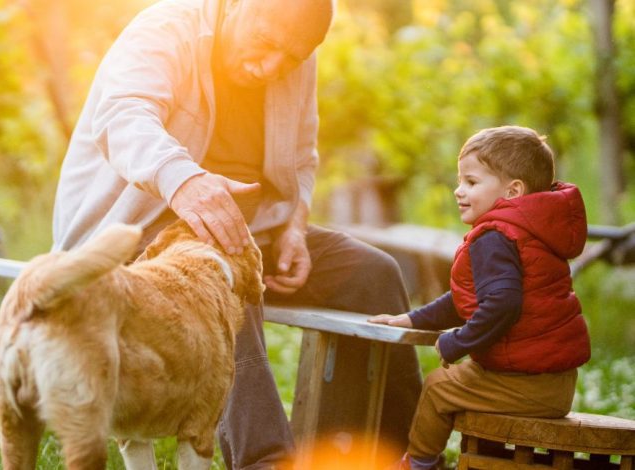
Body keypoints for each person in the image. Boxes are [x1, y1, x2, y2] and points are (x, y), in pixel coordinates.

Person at [51, 0, 423, 467]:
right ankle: (265, 461)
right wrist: (183, 180)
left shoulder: (294, 55)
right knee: (219, 278)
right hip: (134, 239)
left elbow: (303, 156)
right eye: (266, 44)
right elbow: (122, 117)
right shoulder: (166, 30)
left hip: (252, 235)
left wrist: (294, 224)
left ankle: (406, 456)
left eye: (289, 58)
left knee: (374, 274)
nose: (272, 67)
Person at [369, 125, 591, 470]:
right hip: (554, 383)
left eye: (471, 183)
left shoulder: (495, 237)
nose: (459, 191)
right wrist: (411, 319)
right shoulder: (532, 231)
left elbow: (502, 304)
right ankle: (480, 457)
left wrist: (455, 342)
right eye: (460, 181)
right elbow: (466, 299)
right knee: (469, 374)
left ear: (513, 191)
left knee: (439, 386)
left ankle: (418, 463)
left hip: (526, 383)